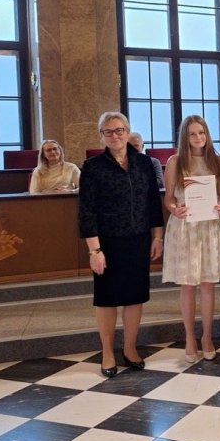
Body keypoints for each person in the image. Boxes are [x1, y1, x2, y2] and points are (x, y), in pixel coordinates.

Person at [78, 112, 164, 378]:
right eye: (109, 131)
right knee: (106, 299)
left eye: (119, 130)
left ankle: (129, 348)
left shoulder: (145, 163)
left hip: (139, 240)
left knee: (135, 297)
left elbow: (153, 204)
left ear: (128, 131)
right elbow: (86, 212)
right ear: (101, 134)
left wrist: (157, 237)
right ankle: (107, 352)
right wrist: (94, 250)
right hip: (107, 243)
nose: (115, 136)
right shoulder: (92, 167)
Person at [162, 115, 220, 363]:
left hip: (209, 226)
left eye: (201, 133)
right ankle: (190, 337)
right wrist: (175, 209)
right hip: (185, 226)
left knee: (208, 284)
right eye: (192, 134)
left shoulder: (217, 161)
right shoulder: (175, 162)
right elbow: (168, 198)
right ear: (185, 136)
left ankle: (206, 336)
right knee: (188, 285)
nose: (198, 138)